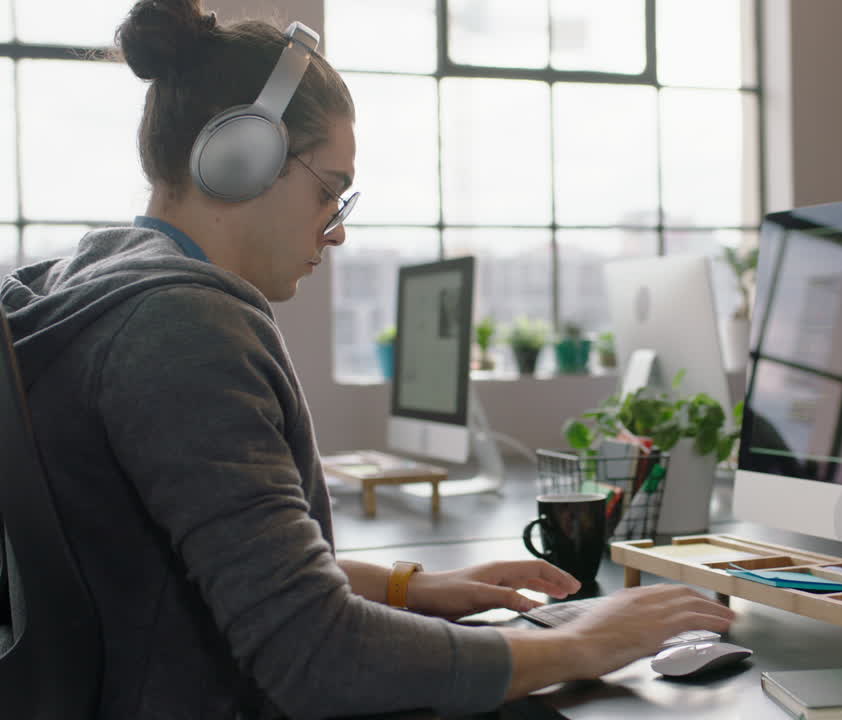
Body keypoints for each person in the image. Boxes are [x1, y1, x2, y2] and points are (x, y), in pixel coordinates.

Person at [0, 2, 734, 718]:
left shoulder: (90, 286)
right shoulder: (182, 327)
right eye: (331, 193)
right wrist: (586, 643)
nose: (337, 232)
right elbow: (317, 656)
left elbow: (205, 559)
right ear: (242, 159)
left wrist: (409, 586)